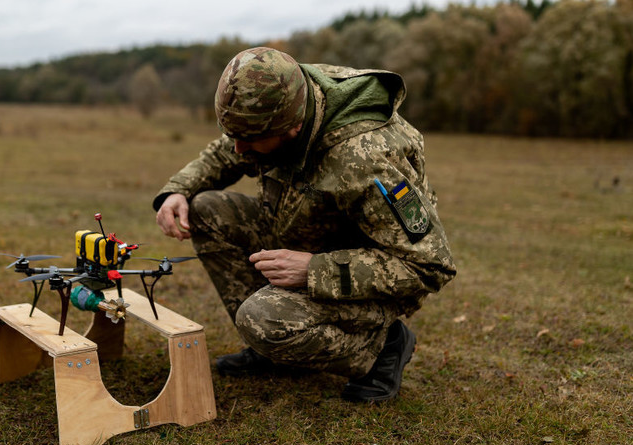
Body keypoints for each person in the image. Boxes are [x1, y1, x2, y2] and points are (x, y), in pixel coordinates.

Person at [153, 47, 456, 402]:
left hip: (364, 281)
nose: (237, 148)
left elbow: (429, 265)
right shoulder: (286, 95)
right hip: (303, 236)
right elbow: (228, 149)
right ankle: (272, 350)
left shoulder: (365, 158)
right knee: (205, 209)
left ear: (292, 128)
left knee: (262, 318)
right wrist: (178, 190)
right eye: (233, 133)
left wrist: (315, 269)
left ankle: (381, 347)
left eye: (247, 140)